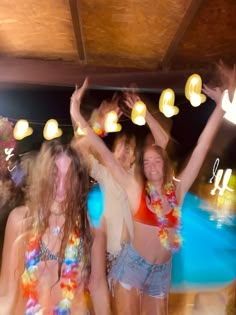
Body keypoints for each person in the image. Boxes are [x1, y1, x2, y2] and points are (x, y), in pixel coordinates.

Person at [70, 63, 232, 315]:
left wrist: (221, 108)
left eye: (157, 160)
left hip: (161, 273)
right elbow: (104, 154)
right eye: (146, 162)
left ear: (165, 163)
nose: (152, 164)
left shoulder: (177, 189)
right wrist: (79, 117)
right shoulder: (135, 189)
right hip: (132, 268)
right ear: (143, 168)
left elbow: (201, 146)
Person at [0, 140, 92, 315]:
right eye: (55, 174)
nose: (61, 186)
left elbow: (98, 286)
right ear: (44, 175)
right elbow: (6, 292)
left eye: (69, 176)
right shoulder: (20, 220)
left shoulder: (88, 223)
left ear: (78, 181)